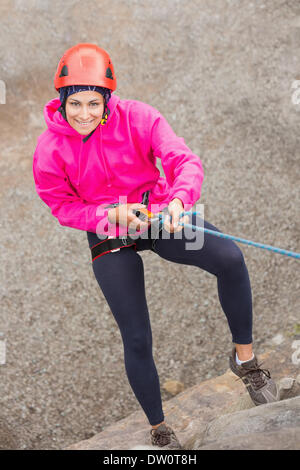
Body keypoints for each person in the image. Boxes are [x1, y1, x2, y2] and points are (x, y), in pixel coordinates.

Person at [33, 43, 279, 449]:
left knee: (230, 258)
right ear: (61, 101)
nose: (83, 114)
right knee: (136, 335)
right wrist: (107, 217)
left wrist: (181, 201)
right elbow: (61, 206)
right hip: (108, 229)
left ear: (107, 99)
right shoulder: (49, 150)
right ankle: (159, 428)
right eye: (74, 103)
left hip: (159, 214)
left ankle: (245, 360)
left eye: (93, 103)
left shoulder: (140, 117)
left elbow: (184, 160)